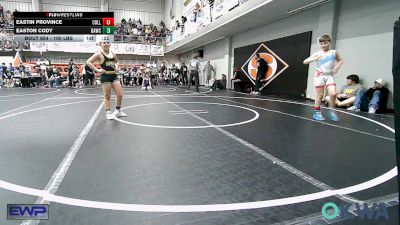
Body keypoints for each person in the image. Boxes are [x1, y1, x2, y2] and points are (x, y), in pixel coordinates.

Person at [303, 35, 344, 121]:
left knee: (333, 93)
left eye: (325, 43)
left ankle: (332, 110)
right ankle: (316, 112)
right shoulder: (318, 53)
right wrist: (314, 58)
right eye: (321, 44)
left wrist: (336, 67)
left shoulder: (334, 52)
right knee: (320, 95)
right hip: (319, 75)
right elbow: (305, 61)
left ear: (329, 42)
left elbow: (340, 60)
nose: (323, 45)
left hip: (329, 75)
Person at [86, 41, 127, 120]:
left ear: (110, 44)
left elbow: (117, 61)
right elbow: (88, 62)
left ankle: (118, 110)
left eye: (107, 42)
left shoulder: (113, 54)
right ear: (100, 45)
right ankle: (108, 112)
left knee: (120, 94)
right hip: (105, 76)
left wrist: (117, 67)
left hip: (114, 75)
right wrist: (97, 70)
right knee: (107, 96)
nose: (106, 44)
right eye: (104, 43)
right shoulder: (99, 54)